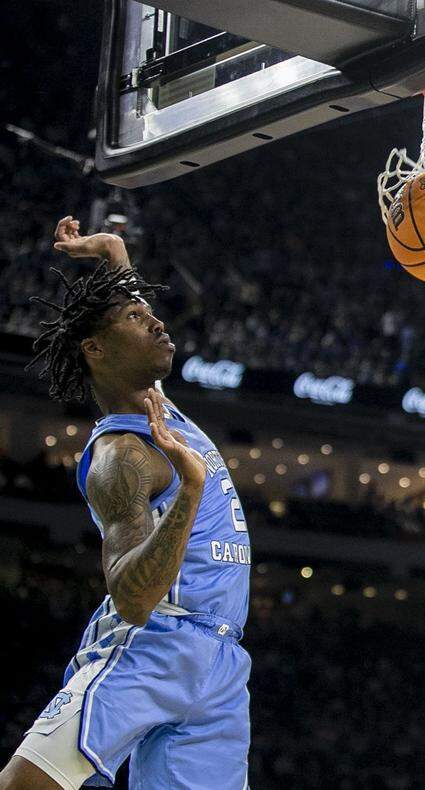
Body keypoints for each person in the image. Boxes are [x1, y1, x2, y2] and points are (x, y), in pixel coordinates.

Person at [0, 217, 252, 790]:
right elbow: (133, 597)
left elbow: (125, 304)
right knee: (26, 784)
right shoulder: (120, 455)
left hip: (220, 661)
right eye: (138, 319)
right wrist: (188, 493)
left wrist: (111, 252)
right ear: (96, 349)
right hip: (152, 643)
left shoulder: (158, 407)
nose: (155, 319)